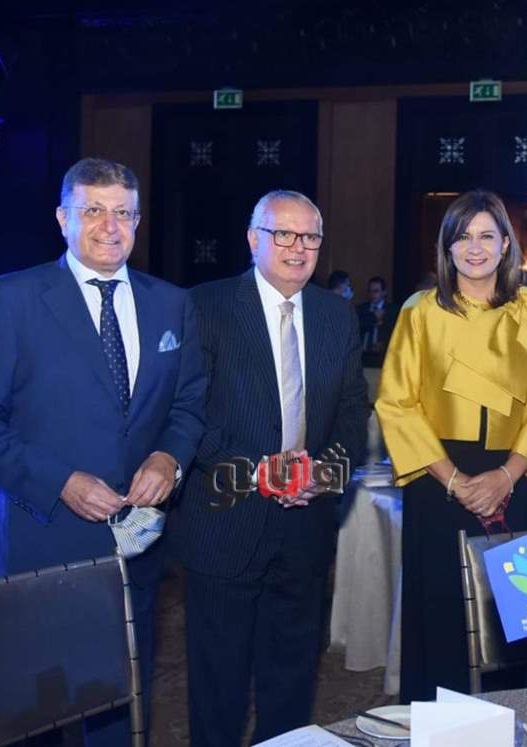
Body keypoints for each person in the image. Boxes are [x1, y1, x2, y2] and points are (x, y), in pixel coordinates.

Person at [0, 157, 206, 744]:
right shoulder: (12, 298)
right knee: (33, 717)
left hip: (133, 552)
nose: (110, 226)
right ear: (63, 218)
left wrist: (169, 458)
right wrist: (61, 480)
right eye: (93, 210)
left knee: (119, 716)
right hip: (39, 548)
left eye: (123, 213)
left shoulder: (171, 304)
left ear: (138, 222)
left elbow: (189, 404)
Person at [168, 190, 369, 745]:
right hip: (225, 521)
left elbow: (354, 410)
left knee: (292, 681)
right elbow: (188, 412)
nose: (297, 247)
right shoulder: (204, 306)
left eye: (310, 237)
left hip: (305, 526)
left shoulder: (335, 314)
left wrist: (326, 472)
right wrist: (257, 472)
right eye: (283, 234)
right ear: (253, 238)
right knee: (219, 686)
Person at [375, 190, 527, 702]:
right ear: (446, 247)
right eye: (463, 236)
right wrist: (456, 481)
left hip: (513, 480)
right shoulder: (420, 313)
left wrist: (505, 476)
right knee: (439, 614)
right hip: (436, 481)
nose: (475, 248)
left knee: (505, 621)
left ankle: (506, 724)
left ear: (507, 244)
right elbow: (397, 404)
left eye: (487, 235)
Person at [357, 275, 399, 367]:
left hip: (385, 356)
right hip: (363, 355)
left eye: (376, 291)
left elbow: (395, 332)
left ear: (384, 292)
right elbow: (357, 329)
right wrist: (374, 319)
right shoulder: (360, 309)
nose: (372, 294)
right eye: (370, 291)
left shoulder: (393, 310)